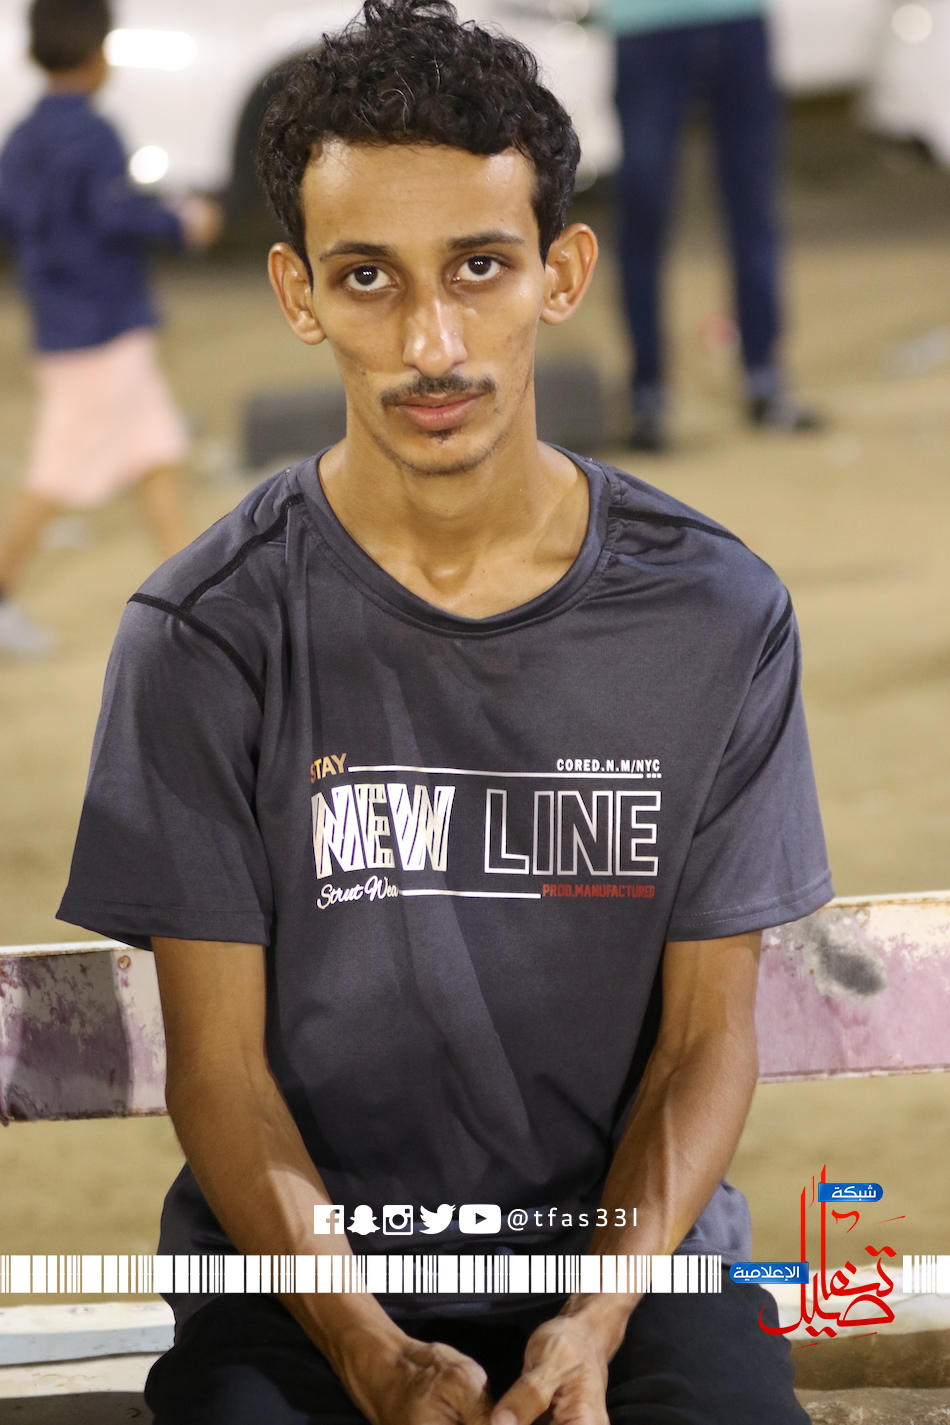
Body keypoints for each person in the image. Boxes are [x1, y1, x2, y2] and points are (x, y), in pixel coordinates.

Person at [58, 1, 832, 1420]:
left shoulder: (713, 614)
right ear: (298, 293)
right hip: (297, 1287)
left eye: (479, 266)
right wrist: (366, 1345)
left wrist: (596, 1314)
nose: (431, 340)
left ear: (560, 272)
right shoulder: (205, 633)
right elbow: (220, 1073)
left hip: (632, 1269)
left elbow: (701, 1042)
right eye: (367, 277)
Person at [0, 0, 220, 658]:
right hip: (104, 332)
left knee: (156, 455)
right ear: (100, 55)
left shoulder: (20, 139)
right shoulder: (95, 134)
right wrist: (181, 222)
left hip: (61, 326)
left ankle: (196, 606)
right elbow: (114, 215)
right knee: (58, 473)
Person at [602, 0, 819, 451]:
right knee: (643, 208)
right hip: (644, 23)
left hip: (738, 17)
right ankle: (647, 394)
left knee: (753, 204)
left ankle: (764, 379)